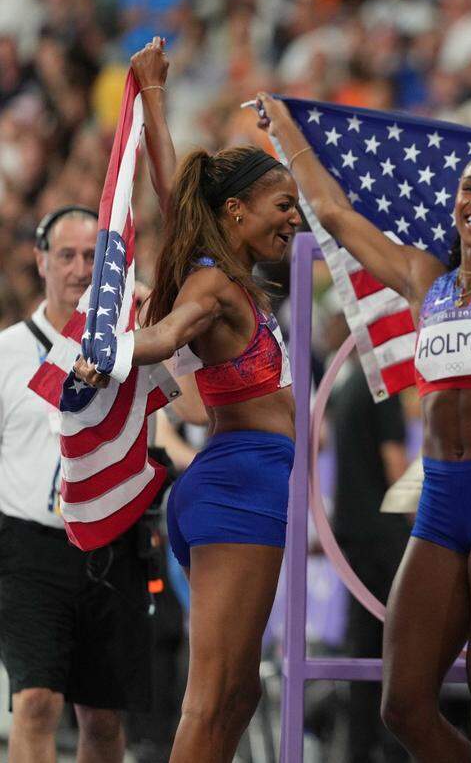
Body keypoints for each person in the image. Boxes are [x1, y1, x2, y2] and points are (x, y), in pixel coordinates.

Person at [256, 93, 471, 762]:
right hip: (441, 500)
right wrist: (286, 133)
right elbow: (334, 215)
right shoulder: (429, 279)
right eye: (469, 187)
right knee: (402, 705)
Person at [72, 141, 302, 763]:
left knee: (241, 690)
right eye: (284, 205)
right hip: (237, 489)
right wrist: (111, 353)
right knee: (211, 696)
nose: (296, 220)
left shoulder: (230, 276)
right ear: (236, 210)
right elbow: (168, 333)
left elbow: (183, 202)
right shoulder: (213, 283)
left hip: (245, 486)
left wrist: (155, 95)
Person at [0, 205, 153, 763]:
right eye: (66, 255)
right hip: (29, 547)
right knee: (36, 700)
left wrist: (151, 305)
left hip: (111, 545)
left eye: (94, 256)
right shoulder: (7, 354)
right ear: (41, 261)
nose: (80, 269)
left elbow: (186, 394)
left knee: (105, 717)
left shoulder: (134, 350)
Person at [328, 352, 410, 763]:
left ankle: (359, 750)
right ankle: (393, 752)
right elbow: (395, 466)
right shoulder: (383, 386)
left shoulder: (349, 384)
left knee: (363, 650)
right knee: (402, 652)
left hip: (353, 533)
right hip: (384, 535)